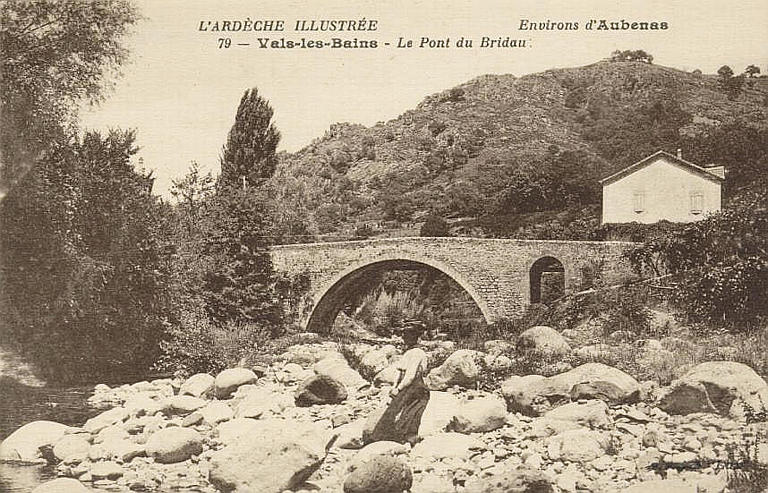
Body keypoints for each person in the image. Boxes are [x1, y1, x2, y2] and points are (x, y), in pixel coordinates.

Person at [365, 319, 431, 445]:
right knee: (393, 411)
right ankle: (383, 439)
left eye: (407, 334)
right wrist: (394, 386)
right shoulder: (409, 352)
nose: (404, 337)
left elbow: (411, 376)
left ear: (415, 336)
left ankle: (398, 439)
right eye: (404, 334)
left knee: (406, 413)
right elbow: (400, 372)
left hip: (414, 387)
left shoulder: (417, 353)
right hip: (406, 385)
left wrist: (398, 388)